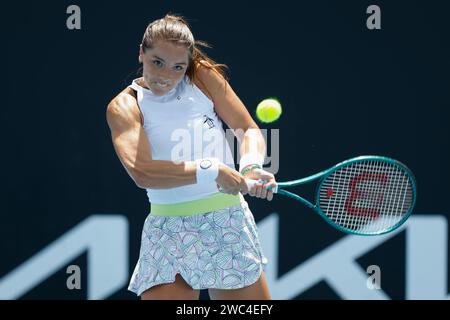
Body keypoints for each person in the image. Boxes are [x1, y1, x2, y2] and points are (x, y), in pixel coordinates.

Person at [106, 14, 276, 300]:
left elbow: (247, 129)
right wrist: (211, 170)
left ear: (188, 64)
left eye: (177, 67)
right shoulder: (125, 105)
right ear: (141, 52)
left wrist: (251, 166)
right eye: (157, 62)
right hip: (169, 231)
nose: (165, 76)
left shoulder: (202, 78)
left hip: (227, 221)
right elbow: (142, 172)